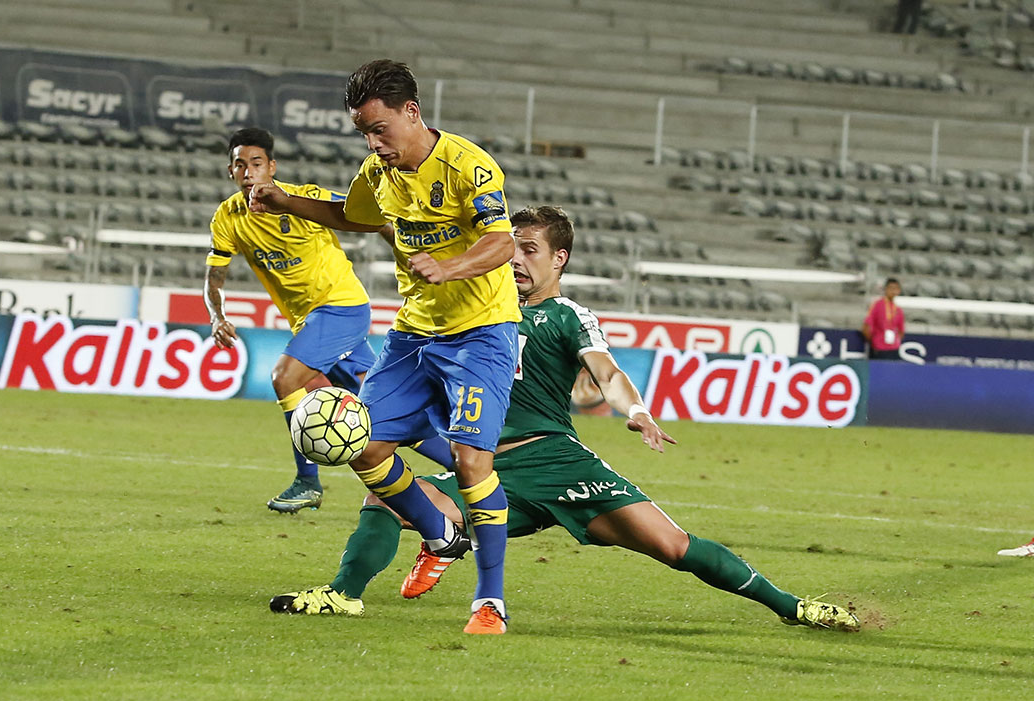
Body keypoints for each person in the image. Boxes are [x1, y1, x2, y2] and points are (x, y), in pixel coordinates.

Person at [269, 206, 861, 633]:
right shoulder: (473, 311)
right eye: (513, 247)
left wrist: (637, 410)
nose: (518, 260)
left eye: (531, 250)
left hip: (554, 459)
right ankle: (346, 594)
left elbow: (607, 372)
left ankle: (794, 607)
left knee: (675, 547)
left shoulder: (567, 315)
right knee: (384, 496)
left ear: (560, 258)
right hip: (484, 464)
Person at [249, 59, 521, 634]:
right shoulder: (378, 173)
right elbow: (351, 216)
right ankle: (441, 533)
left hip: (481, 334)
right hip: (412, 335)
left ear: (411, 111)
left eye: (380, 129)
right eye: (364, 133)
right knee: (362, 446)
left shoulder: (470, 166)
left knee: (473, 463)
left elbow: (500, 242)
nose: (374, 143)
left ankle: (489, 602)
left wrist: (450, 267)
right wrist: (283, 201)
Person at [206, 127, 454, 514]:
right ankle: (469, 469)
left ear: (271, 166)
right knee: (380, 408)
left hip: (341, 307)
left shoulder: (305, 199)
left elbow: (371, 219)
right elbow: (214, 276)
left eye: (256, 163)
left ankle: (307, 482)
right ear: (230, 171)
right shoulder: (228, 217)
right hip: (310, 321)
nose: (248, 171)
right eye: (240, 165)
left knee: (284, 378)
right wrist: (216, 316)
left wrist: (409, 259)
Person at [861, 277, 905, 360]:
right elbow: (866, 326)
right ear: (885, 289)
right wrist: (874, 342)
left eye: (895, 288)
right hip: (879, 348)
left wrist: (896, 341)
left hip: (893, 349)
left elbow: (901, 331)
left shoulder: (898, 310)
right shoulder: (877, 305)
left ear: (899, 291)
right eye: (891, 288)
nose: (893, 291)